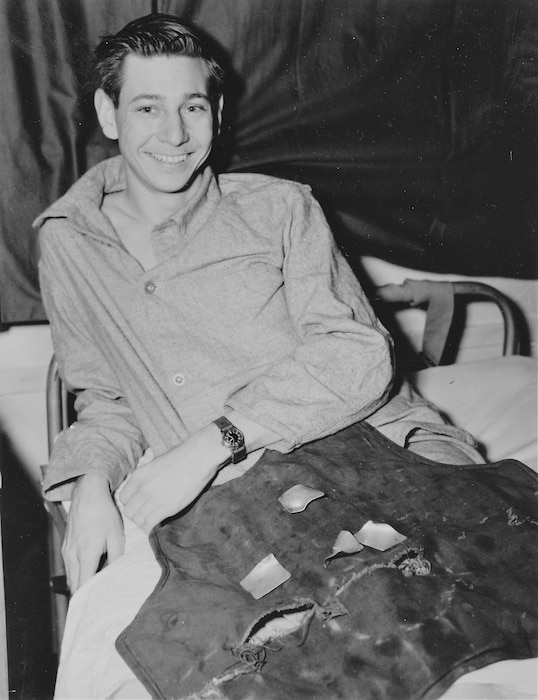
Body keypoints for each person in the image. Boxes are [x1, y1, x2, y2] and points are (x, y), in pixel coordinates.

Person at [35, 13, 483, 698]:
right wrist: (91, 479)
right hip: (232, 497)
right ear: (108, 111)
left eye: (193, 107)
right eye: (147, 107)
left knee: (445, 611)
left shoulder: (280, 209)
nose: (175, 134)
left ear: (217, 111)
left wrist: (216, 441)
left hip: (366, 443)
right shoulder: (69, 242)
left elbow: (359, 353)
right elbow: (106, 396)